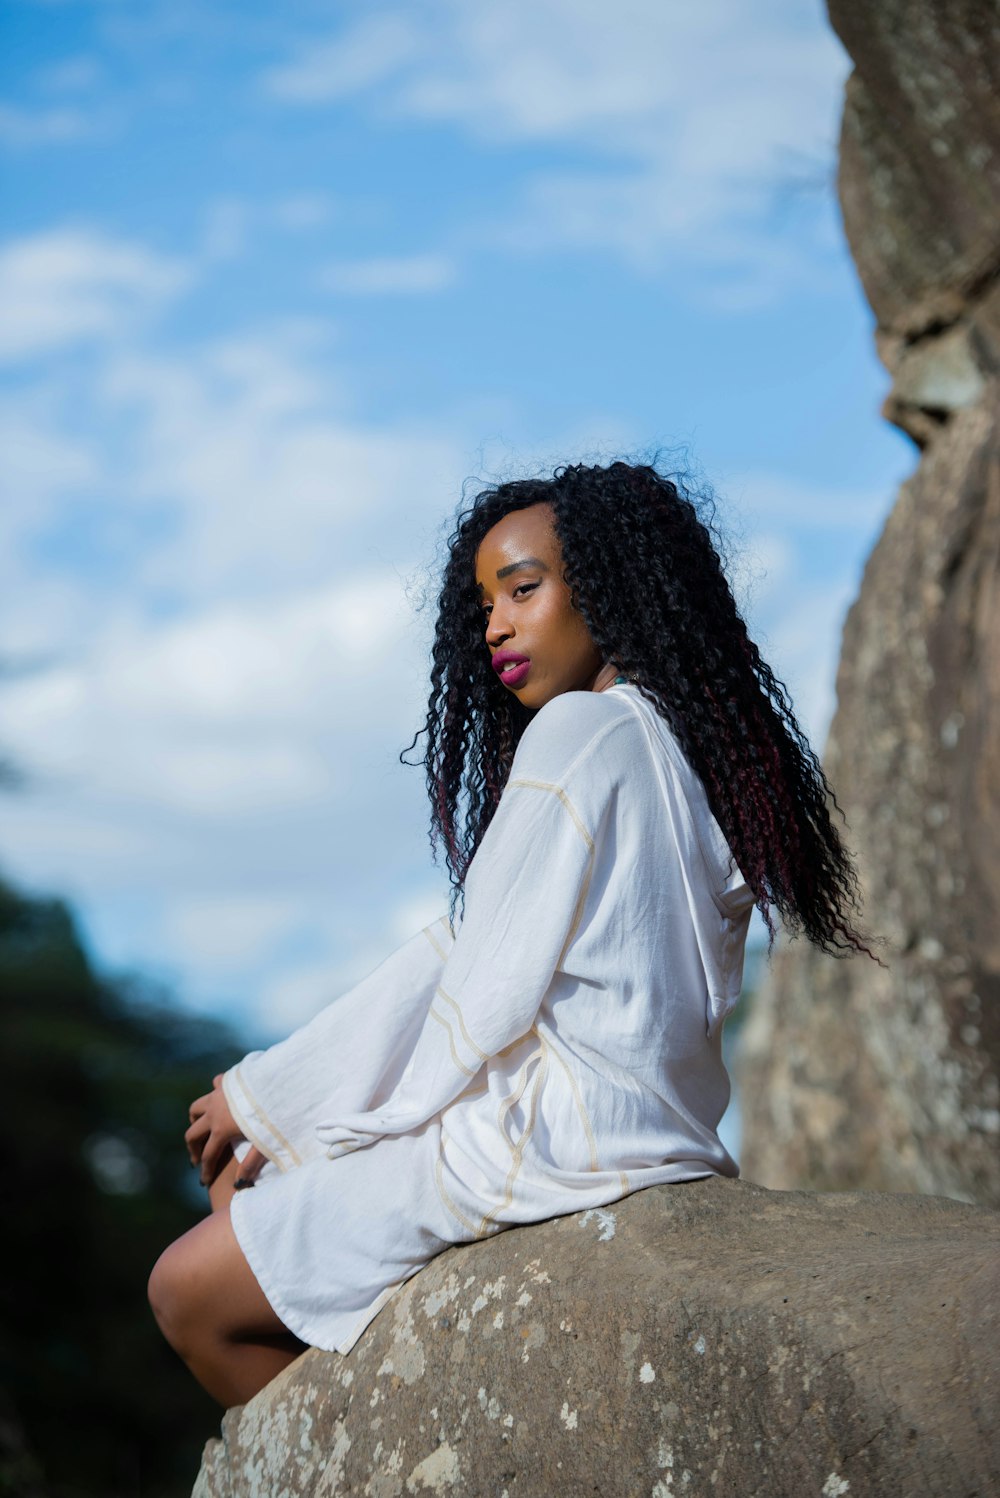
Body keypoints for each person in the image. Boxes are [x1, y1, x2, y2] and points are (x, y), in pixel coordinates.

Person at [148, 460, 871, 1408]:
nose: (494, 625)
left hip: (553, 1138)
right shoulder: (691, 749)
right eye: (485, 602)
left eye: (523, 588)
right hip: (660, 1132)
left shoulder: (581, 731)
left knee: (186, 1290)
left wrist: (268, 1094)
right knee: (262, 1215)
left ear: (606, 587)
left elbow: (471, 977)